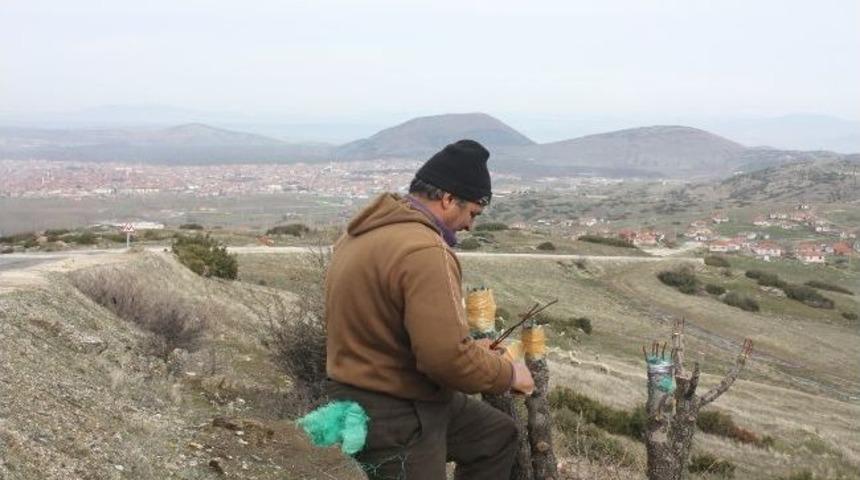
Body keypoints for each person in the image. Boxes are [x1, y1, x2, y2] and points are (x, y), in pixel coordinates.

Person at [325, 139, 534, 480]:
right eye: (472, 214)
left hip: (358, 392)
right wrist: (509, 375)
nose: (470, 226)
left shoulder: (361, 234)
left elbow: (383, 327)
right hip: (398, 411)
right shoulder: (425, 251)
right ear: (448, 199)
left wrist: (473, 351)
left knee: (495, 436)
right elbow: (444, 360)